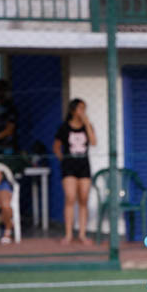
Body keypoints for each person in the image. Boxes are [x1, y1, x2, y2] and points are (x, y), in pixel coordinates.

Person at [53, 98, 96, 245]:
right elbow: (56, 147)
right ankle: (68, 234)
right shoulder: (64, 128)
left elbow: (93, 142)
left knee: (83, 198)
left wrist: (87, 123)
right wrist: (63, 161)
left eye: (84, 108)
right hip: (69, 166)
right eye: (80, 109)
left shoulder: (87, 126)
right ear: (72, 111)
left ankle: (83, 234)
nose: (82, 112)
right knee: (70, 198)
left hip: (84, 165)